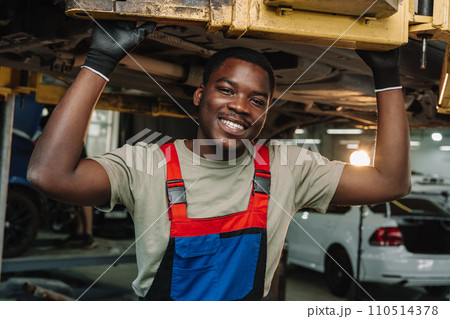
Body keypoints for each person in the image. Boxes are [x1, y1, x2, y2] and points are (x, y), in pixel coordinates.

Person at [27, 21, 411, 300]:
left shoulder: (288, 167)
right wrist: (101, 59)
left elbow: (390, 182)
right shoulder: (147, 164)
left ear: (266, 112)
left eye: (256, 100)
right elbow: (49, 175)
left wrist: (387, 76)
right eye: (226, 90)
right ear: (199, 96)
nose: (240, 107)